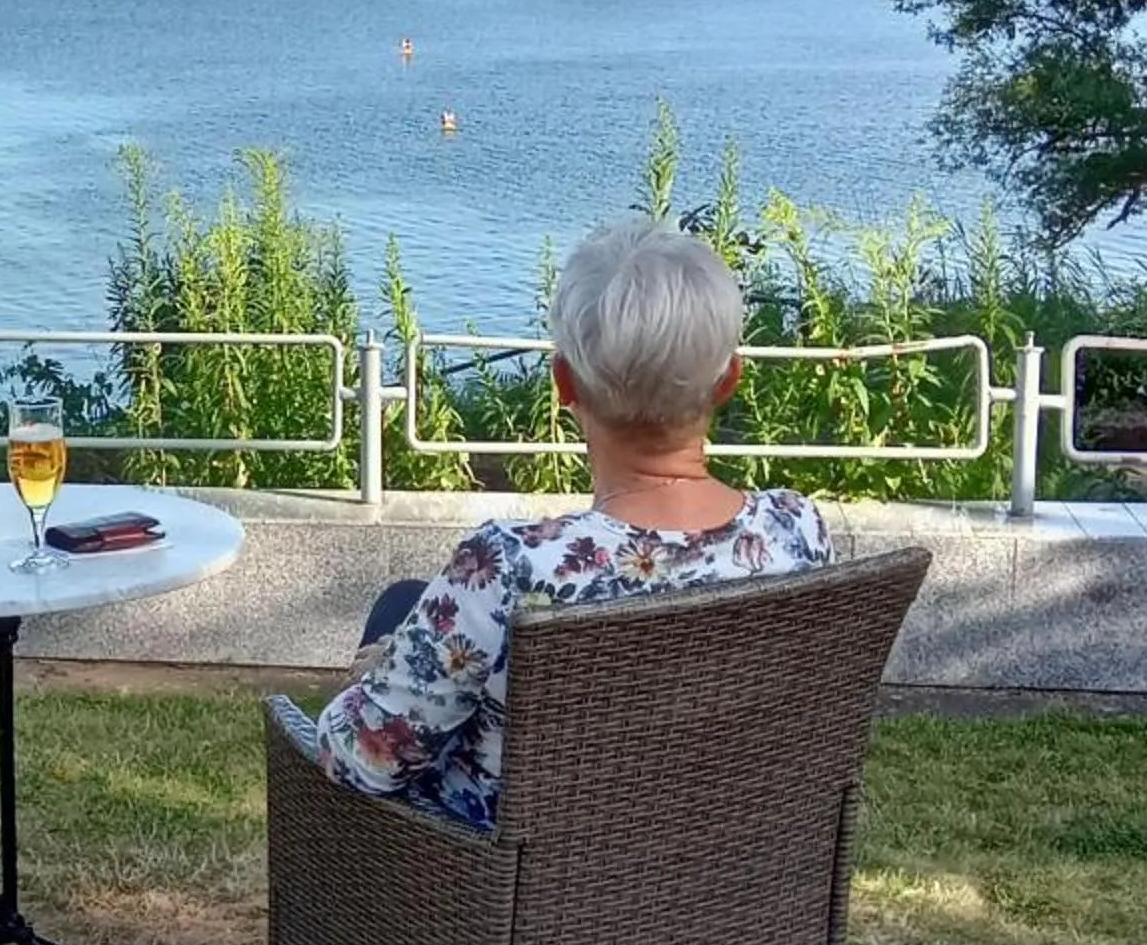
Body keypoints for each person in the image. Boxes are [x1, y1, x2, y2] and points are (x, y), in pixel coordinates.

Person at [311, 218, 831, 832]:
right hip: (725, 873)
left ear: (563, 382)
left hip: (508, 900)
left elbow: (361, 761)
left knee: (399, 622)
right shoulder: (796, 531)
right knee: (406, 602)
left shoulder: (511, 570)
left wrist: (370, 675)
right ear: (729, 380)